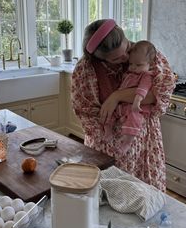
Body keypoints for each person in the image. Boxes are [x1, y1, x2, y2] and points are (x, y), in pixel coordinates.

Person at [71, 19, 175, 192]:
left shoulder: (146, 52)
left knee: (145, 195)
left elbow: (157, 95)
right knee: (112, 197)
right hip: (109, 146)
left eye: (126, 48)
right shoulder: (85, 70)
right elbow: (85, 112)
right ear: (99, 58)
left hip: (144, 144)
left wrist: (116, 96)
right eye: (117, 58)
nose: (126, 57)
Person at [104, 40, 156, 151]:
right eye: (131, 64)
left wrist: (137, 102)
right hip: (124, 104)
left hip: (136, 106)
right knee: (110, 112)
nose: (133, 67)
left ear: (150, 65)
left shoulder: (147, 75)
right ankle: (108, 130)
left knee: (134, 118)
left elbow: (142, 89)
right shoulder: (129, 74)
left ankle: (128, 141)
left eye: (138, 65)